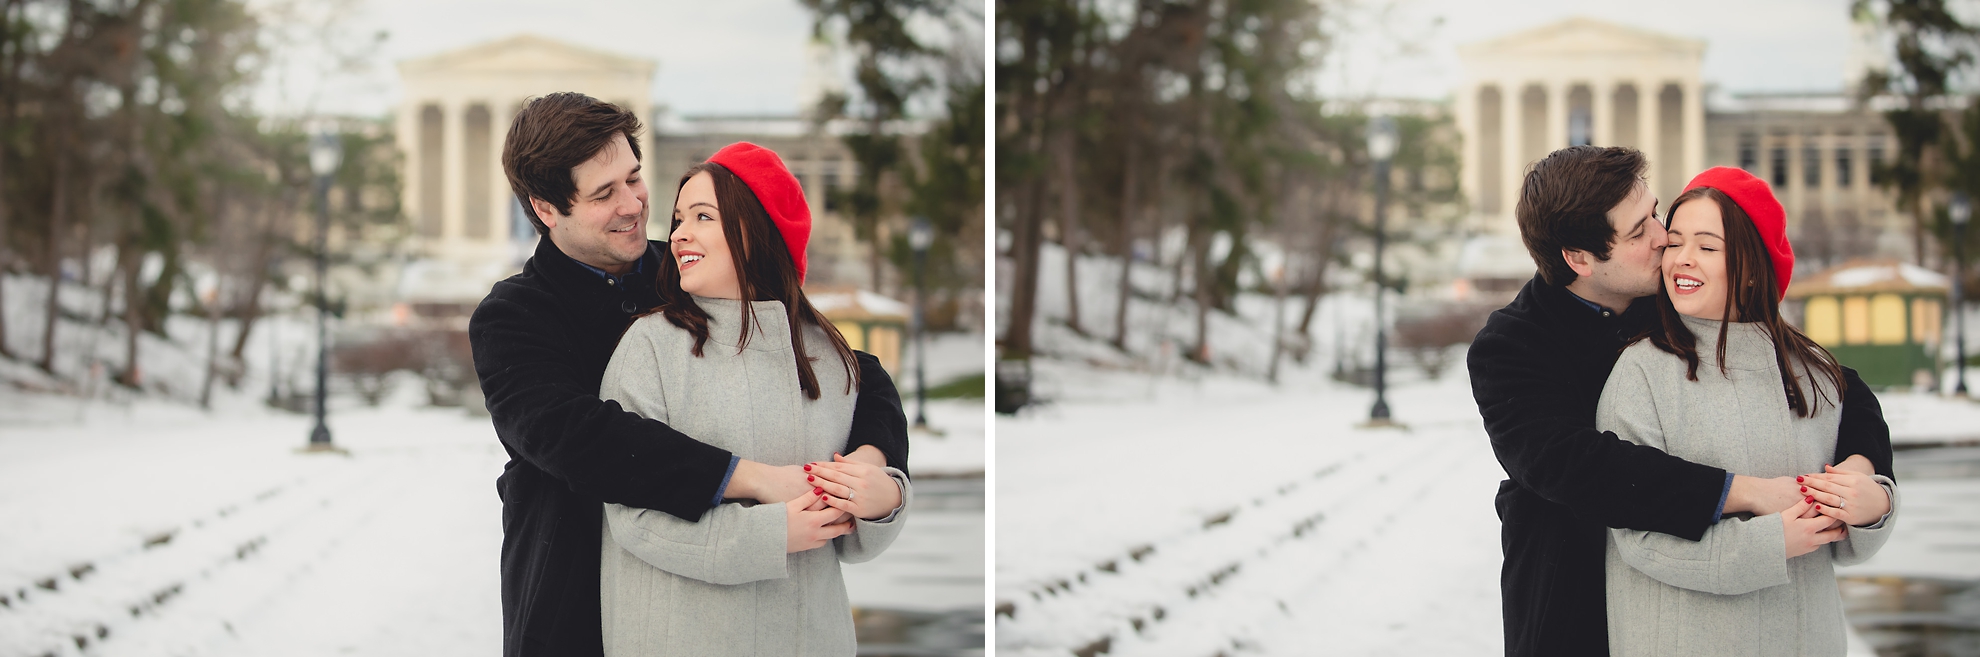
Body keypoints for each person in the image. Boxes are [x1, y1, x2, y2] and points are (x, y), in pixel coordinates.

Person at [468, 93, 909, 657]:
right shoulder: (515, 315)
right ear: (547, 208)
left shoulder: (690, 270)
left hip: (719, 610)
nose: (633, 204)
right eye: (605, 194)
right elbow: (576, 437)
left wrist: (872, 461)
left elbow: (853, 371)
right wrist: (749, 477)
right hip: (572, 599)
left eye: (634, 178)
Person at [1466, 145, 1894, 656]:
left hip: (1705, 612)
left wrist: (1860, 471)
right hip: (1570, 597)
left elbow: (1834, 385)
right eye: (1638, 232)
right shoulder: (1513, 346)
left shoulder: (1671, 297)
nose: (1663, 238)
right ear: (1579, 259)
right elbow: (1574, 466)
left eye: (1655, 213)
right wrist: (1745, 492)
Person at [594, 141, 909, 656]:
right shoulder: (651, 346)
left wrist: (883, 501)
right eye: (678, 218)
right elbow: (634, 519)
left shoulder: (828, 358)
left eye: (703, 216)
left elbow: (848, 535)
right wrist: (769, 533)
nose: (678, 234)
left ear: (757, 229)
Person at [1597, 167, 1896, 656]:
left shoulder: (1814, 375)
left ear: (1753, 266)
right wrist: (1768, 543)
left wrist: (1874, 507)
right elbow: (1637, 537)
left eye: (1707, 247)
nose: (1682, 260)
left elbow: (1843, 540)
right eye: (1674, 242)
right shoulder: (1642, 373)